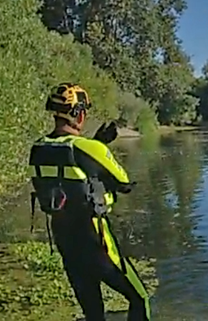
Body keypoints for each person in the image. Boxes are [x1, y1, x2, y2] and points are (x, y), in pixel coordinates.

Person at [28, 83, 151, 321]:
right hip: (95, 239)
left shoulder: (37, 149)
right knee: (139, 297)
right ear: (78, 113)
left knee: (93, 314)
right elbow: (123, 182)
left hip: (65, 239)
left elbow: (69, 175)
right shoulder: (89, 147)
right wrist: (100, 145)